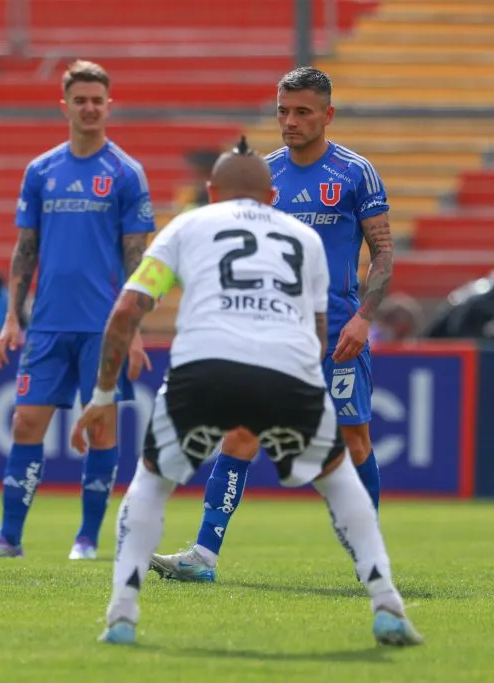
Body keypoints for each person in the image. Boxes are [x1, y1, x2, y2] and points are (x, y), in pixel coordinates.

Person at [72, 138, 423, 647]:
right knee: (338, 476)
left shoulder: (188, 225)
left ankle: (122, 616)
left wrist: (104, 397)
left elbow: (126, 310)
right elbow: (319, 326)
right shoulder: (303, 238)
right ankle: (387, 604)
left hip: (204, 365)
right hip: (289, 366)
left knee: (151, 480)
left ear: (211, 191)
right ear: (271, 193)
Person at [150, 66, 396, 582]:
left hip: (337, 335)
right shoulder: (264, 176)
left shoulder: (355, 173)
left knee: (354, 440)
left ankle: (369, 556)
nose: (290, 121)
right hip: (272, 330)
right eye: (283, 110)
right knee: (239, 434)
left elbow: (383, 254)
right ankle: (204, 556)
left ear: (327, 115)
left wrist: (363, 319)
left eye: (302, 112)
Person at [0, 60, 155, 561]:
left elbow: (139, 260)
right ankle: (9, 538)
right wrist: (10, 318)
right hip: (45, 324)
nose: (89, 108)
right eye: (80, 99)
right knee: (25, 424)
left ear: (110, 105)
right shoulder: (41, 171)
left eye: (98, 100)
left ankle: (86, 539)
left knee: (102, 428)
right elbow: (26, 249)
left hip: (104, 326)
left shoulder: (126, 173)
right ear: (64, 105)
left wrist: (133, 329)